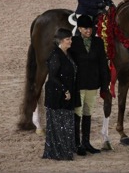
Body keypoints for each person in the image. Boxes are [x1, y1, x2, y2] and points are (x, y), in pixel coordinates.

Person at [69, 14, 110, 156]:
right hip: (78, 84)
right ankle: (76, 143)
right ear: (79, 29)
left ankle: (86, 142)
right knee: (77, 113)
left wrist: (105, 86)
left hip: (93, 84)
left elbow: (103, 65)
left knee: (88, 112)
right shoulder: (73, 42)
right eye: (85, 28)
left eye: (90, 28)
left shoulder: (98, 43)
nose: (88, 31)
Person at [42, 28, 79, 161]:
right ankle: (59, 151)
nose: (70, 41)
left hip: (67, 93)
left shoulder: (67, 53)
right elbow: (53, 76)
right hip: (57, 94)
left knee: (66, 122)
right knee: (58, 123)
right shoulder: (55, 55)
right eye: (68, 39)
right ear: (61, 41)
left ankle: (66, 149)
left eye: (70, 39)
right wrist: (65, 90)